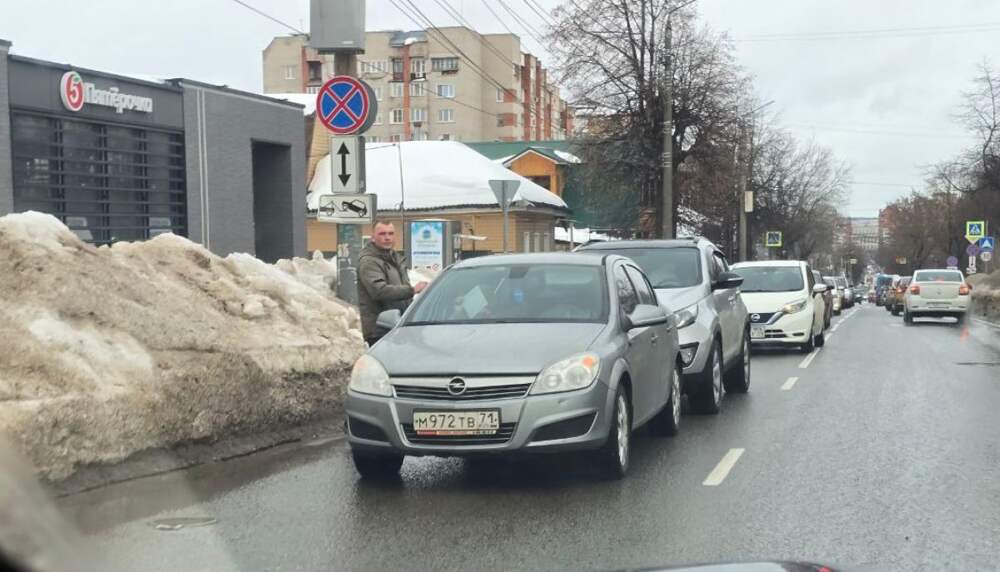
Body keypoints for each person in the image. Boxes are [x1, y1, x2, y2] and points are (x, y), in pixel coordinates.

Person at [357, 221, 428, 347]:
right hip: (380, 329)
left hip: (398, 326)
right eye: (382, 234)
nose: (387, 237)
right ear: (373, 237)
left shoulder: (395, 258)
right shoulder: (369, 261)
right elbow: (379, 291)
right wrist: (412, 290)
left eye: (390, 233)